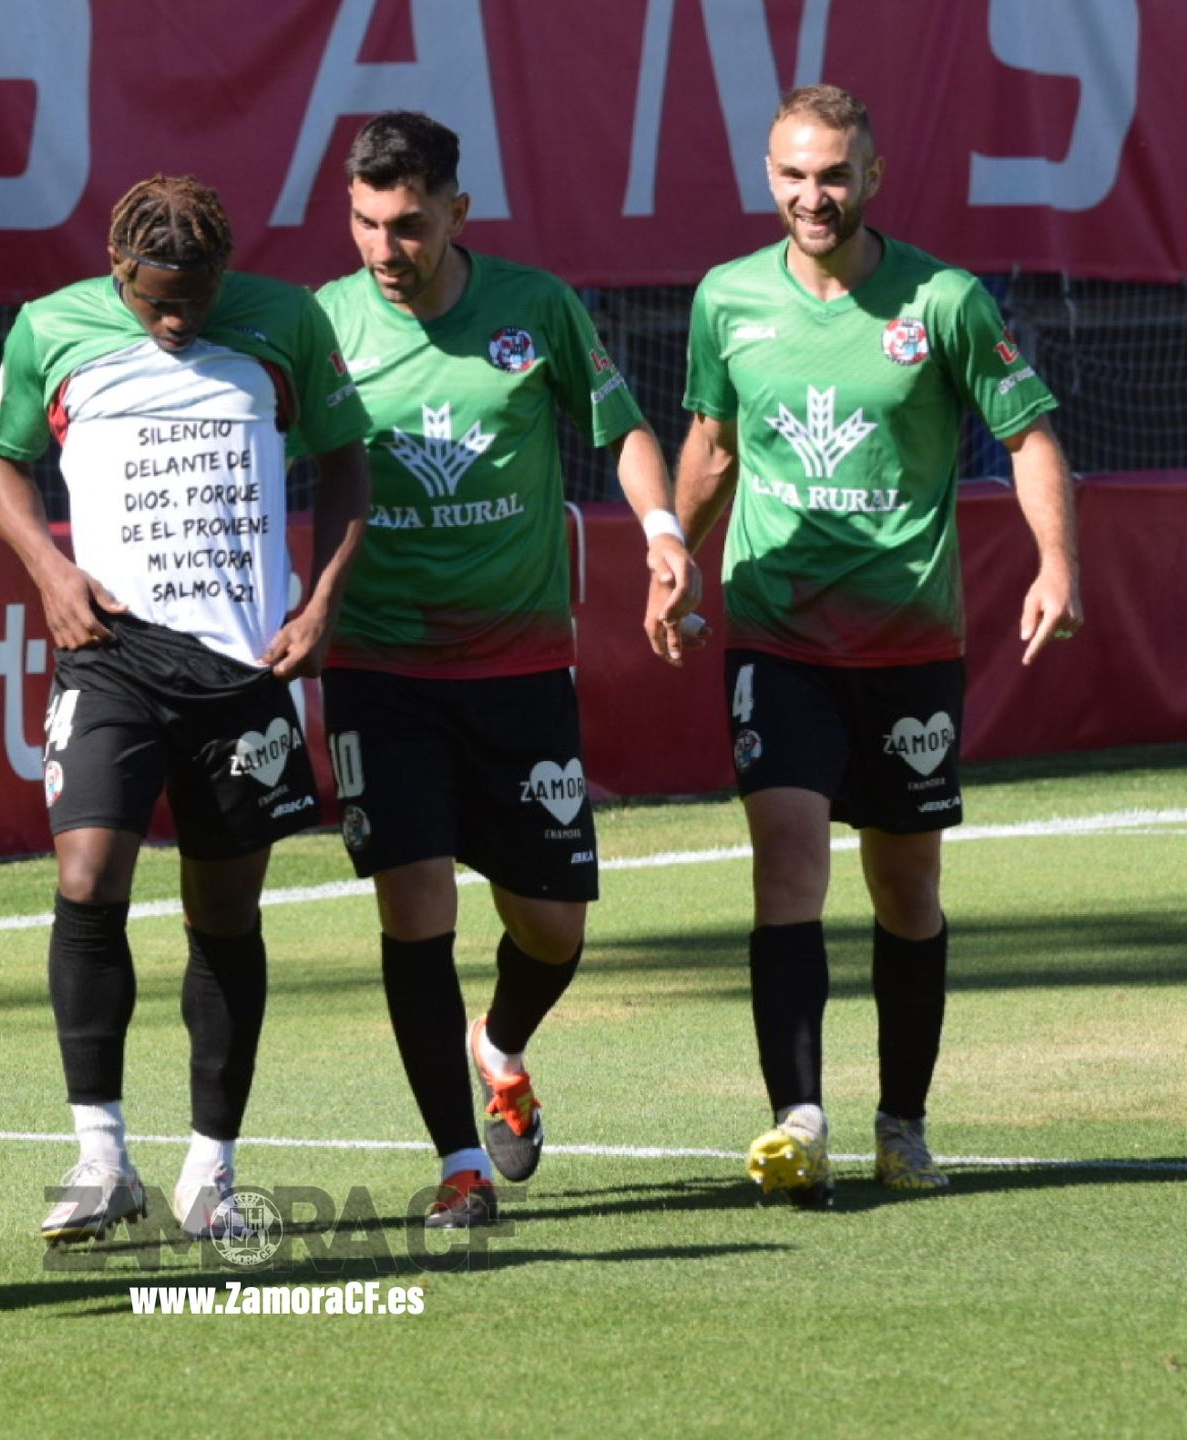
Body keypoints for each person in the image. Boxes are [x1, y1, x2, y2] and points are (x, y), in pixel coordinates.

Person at [674, 84, 1083, 1208]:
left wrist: (1056, 565)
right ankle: (794, 1120)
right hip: (775, 632)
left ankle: (900, 1126)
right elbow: (710, 443)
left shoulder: (943, 301)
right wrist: (672, 557)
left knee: (905, 887)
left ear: (872, 176)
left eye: (834, 175)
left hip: (907, 642)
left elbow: (1028, 435)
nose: (814, 196)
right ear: (769, 176)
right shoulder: (726, 301)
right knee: (787, 863)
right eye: (794, 175)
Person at [314, 112, 699, 1227]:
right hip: (380, 667)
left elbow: (620, 428)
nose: (386, 246)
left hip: (520, 668)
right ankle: (456, 1165)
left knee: (551, 928)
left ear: (455, 212)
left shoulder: (534, 309)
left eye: (408, 223)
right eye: (365, 222)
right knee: (415, 910)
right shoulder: (320, 325)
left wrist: (663, 532)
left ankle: (502, 1043)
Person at [0, 174, 371, 1244]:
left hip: (241, 669)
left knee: (223, 915)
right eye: (155, 297)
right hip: (110, 656)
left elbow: (344, 460)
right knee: (86, 873)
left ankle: (211, 1170)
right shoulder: (50, 328)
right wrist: (51, 574)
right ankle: (100, 1159)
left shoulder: (284, 323)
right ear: (118, 272)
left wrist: (322, 601)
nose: (174, 318)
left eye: (192, 297)